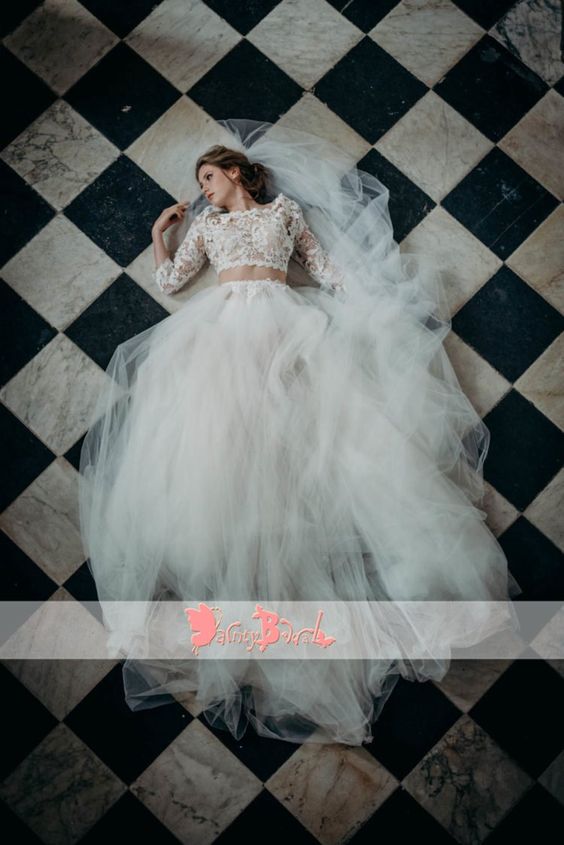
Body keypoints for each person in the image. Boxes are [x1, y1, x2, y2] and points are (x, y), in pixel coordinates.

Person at [78, 119, 522, 746]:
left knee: (320, 436)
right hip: (221, 331)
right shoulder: (207, 226)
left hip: (289, 326)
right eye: (200, 182)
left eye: (209, 176)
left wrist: (368, 304)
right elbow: (173, 282)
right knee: (223, 441)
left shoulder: (283, 212)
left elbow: (320, 265)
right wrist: (159, 235)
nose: (203, 189)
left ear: (236, 172)